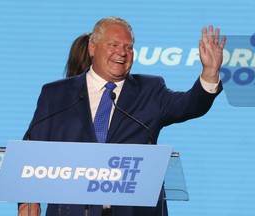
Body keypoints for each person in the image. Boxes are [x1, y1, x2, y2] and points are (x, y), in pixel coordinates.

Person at [18, 16, 226, 216]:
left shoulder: (150, 90)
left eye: (128, 47)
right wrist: (29, 203)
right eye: (114, 44)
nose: (122, 52)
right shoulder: (57, 94)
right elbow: (32, 149)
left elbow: (189, 105)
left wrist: (209, 73)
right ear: (92, 47)